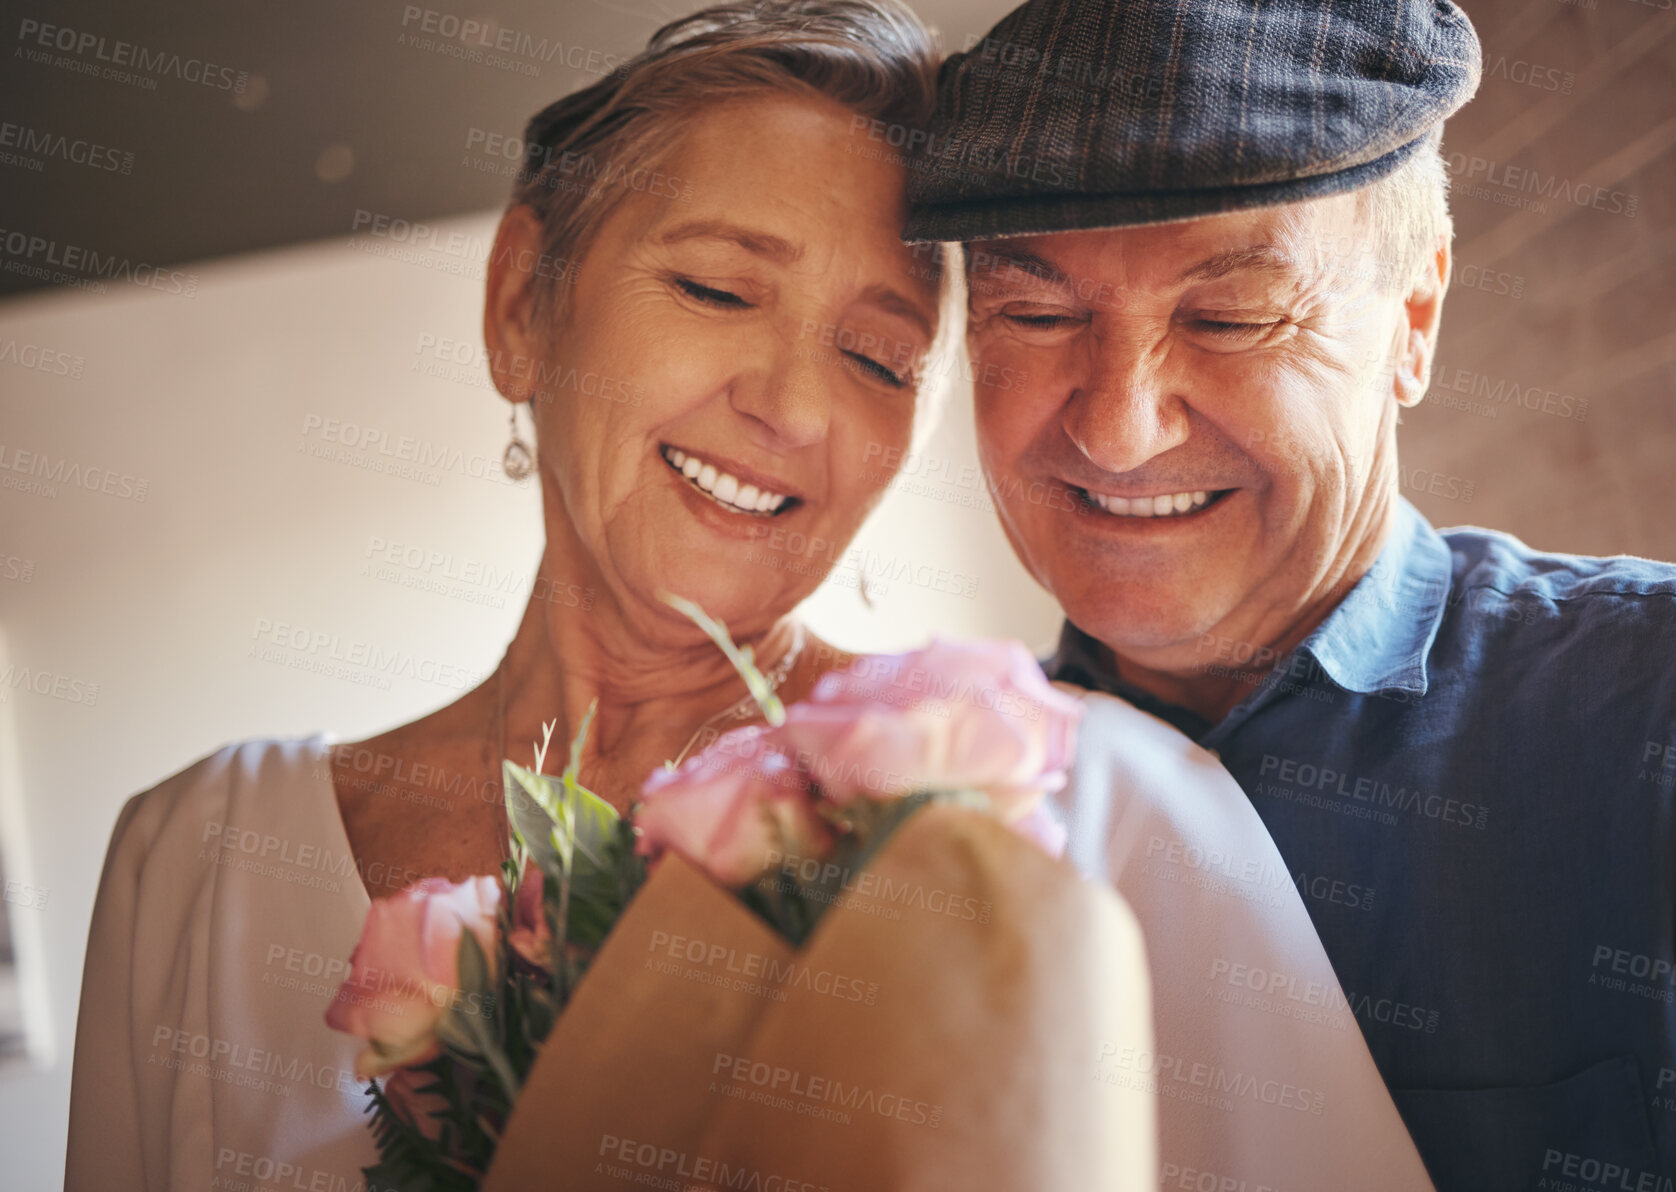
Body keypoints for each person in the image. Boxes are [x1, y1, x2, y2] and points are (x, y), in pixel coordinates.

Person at [63, 3, 961, 1186]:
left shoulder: (987, 822)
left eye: (876, 358)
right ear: (519, 303)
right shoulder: (197, 861)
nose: (793, 409)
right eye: (714, 289)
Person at [906, 0, 1676, 1188]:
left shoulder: (1644, 714)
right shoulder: (916, 825)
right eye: (1037, 314)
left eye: (1227, 315)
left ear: (1411, 318)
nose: (1115, 430)